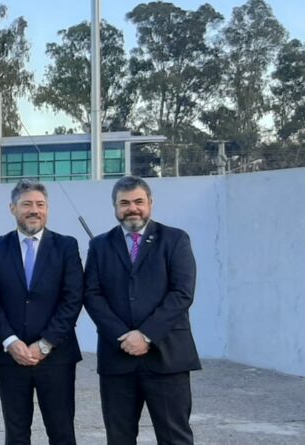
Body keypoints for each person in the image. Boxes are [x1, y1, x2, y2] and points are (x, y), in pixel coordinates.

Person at [84, 176, 200, 445]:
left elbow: (182, 293)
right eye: (124, 203)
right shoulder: (99, 245)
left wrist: (145, 335)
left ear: (150, 203)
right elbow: (92, 294)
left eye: (138, 201)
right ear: (115, 206)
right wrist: (123, 336)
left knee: (175, 438)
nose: (132, 208)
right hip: (118, 358)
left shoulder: (175, 239)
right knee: (119, 438)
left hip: (167, 357)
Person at [0, 180, 84, 445]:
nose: (34, 210)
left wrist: (46, 343)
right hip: (11, 357)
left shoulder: (66, 246)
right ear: (13, 208)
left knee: (61, 432)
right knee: (16, 433)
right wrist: (10, 341)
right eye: (27, 204)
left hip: (56, 356)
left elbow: (72, 298)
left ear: (47, 208)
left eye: (40, 204)